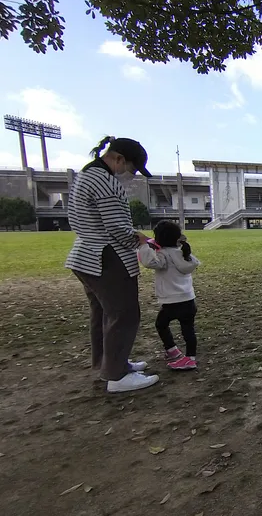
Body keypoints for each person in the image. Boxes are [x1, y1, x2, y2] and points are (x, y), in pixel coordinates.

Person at [65, 136, 159, 393]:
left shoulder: (86, 176)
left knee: (104, 314)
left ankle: (108, 365)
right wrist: (139, 239)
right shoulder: (104, 180)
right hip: (105, 256)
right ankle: (116, 376)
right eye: (131, 168)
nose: (129, 175)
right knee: (123, 313)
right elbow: (116, 225)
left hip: (86, 255)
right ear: (118, 159)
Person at [138, 221, 202, 368]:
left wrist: (143, 246)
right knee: (188, 330)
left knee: (161, 325)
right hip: (189, 300)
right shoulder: (184, 253)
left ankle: (172, 349)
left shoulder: (163, 255)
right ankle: (190, 358)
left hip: (172, 302)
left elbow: (150, 262)